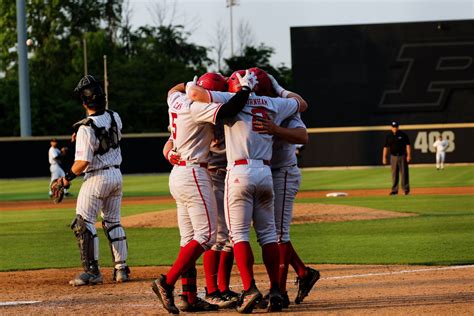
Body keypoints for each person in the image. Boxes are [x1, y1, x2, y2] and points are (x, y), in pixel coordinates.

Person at [187, 68, 308, 313]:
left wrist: (185, 87)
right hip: (265, 173)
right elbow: (300, 103)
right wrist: (279, 88)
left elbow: (200, 94)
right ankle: (276, 289)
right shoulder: (275, 103)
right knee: (268, 236)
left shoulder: (230, 100)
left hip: (238, 172)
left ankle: (249, 289)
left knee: (239, 235)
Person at [151, 71, 256, 314]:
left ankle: (189, 296)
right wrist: (244, 90)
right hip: (195, 173)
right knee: (207, 236)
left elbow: (172, 89)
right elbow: (229, 111)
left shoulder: (176, 100)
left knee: (188, 240)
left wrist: (189, 83)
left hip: (178, 174)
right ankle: (166, 282)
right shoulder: (197, 108)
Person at [252, 74, 320, 309]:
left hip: (283, 173)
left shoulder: (285, 108)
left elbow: (303, 137)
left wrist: (274, 129)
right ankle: (303, 272)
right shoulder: (250, 107)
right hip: (264, 174)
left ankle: (278, 292)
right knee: (269, 232)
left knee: (279, 233)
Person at [55, 75, 130, 286]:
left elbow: (82, 163)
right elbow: (106, 133)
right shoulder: (115, 116)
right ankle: (121, 269)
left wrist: (66, 178)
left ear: (84, 101)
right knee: (113, 221)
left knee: (84, 222)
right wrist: (81, 135)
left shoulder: (85, 127)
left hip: (97, 178)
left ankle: (92, 272)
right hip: (116, 175)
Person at [382, 121, 412, 195]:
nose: (394, 128)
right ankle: (394, 190)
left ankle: (405, 190)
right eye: (393, 127)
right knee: (394, 174)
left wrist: (409, 155)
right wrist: (384, 157)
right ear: (391, 127)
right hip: (393, 157)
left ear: (398, 127)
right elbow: (385, 147)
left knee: (404, 173)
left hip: (402, 156)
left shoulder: (403, 135)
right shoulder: (389, 136)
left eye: (395, 127)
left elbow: (408, 145)